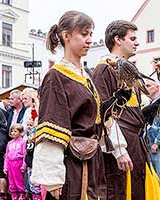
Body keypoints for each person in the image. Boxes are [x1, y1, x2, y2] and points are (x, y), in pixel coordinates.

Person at [30, 11, 118, 200]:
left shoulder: (86, 76)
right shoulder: (56, 77)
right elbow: (52, 126)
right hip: (72, 164)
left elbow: (95, 118)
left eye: (91, 35)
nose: (89, 40)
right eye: (84, 34)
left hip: (92, 160)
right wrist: (53, 178)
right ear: (66, 36)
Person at [92, 20, 160, 200]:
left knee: (138, 192)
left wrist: (159, 104)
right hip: (120, 146)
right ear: (118, 39)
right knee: (120, 192)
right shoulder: (105, 68)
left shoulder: (128, 70)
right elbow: (103, 113)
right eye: (133, 38)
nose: (137, 42)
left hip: (136, 144)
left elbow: (133, 115)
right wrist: (119, 150)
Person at [4, 123, 26, 200]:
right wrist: (5, 167)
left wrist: (24, 165)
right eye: (12, 131)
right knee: (11, 180)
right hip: (10, 164)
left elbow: (24, 155)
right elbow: (6, 156)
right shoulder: (9, 143)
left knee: (19, 180)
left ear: (20, 132)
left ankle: (22, 194)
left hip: (18, 163)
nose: (13, 133)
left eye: (15, 131)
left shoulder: (23, 142)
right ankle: (14, 194)